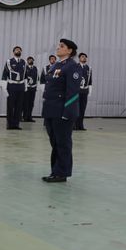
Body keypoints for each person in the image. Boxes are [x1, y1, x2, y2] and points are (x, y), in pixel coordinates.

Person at [42, 39, 82, 183]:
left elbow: (73, 92)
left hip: (62, 112)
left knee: (63, 143)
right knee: (55, 142)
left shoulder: (72, 67)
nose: (58, 48)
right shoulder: (56, 66)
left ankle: (62, 173)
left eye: (62, 46)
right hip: (51, 111)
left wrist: (68, 113)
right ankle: (55, 171)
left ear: (69, 50)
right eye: (59, 46)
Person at [1, 46, 26, 130]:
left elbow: (25, 76)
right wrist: (4, 88)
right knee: (10, 105)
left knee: (19, 106)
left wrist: (25, 87)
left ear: (21, 52)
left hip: (21, 86)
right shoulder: (9, 62)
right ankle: (10, 124)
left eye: (19, 50)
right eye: (16, 50)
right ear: (13, 52)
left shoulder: (24, 62)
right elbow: (4, 75)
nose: (18, 51)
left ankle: (16, 124)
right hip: (12, 86)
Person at [75, 52, 92, 130]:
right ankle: (74, 125)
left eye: (85, 57)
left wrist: (89, 91)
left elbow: (90, 80)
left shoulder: (89, 68)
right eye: (82, 57)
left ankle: (80, 125)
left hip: (85, 91)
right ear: (79, 58)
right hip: (77, 90)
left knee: (82, 108)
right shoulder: (75, 66)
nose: (84, 58)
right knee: (76, 108)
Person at [23, 56, 38, 122]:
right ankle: (24, 117)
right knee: (25, 103)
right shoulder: (25, 68)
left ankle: (29, 117)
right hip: (27, 88)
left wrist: (36, 86)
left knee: (31, 103)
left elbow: (37, 77)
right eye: (29, 60)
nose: (30, 61)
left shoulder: (35, 68)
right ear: (27, 61)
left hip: (33, 88)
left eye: (31, 60)